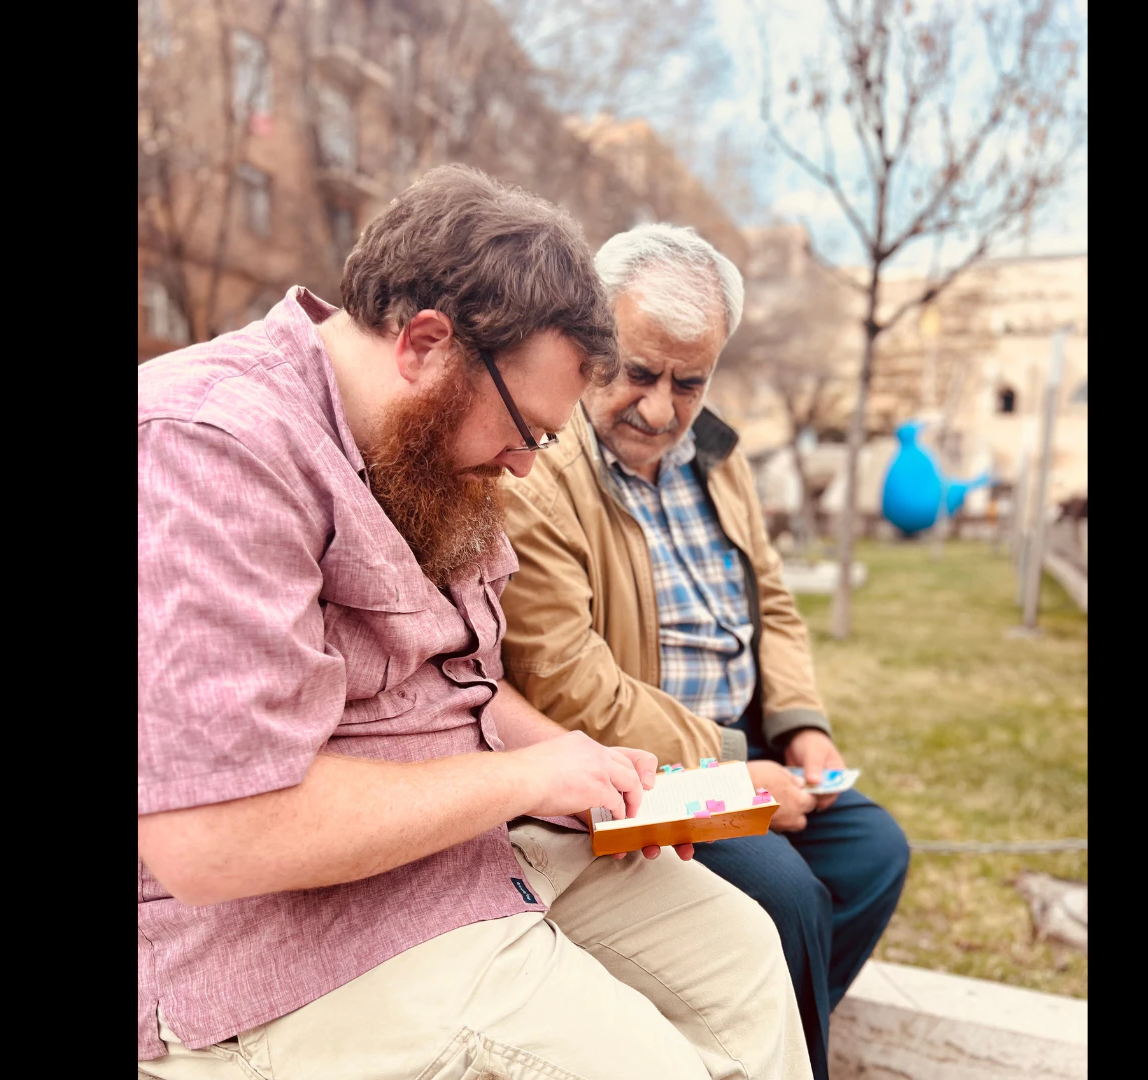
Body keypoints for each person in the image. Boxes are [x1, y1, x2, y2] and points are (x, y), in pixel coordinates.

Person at [138, 168, 810, 1080]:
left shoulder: (423, 453)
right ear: (426, 344)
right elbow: (217, 836)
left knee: (746, 957)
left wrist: (591, 770)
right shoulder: (211, 446)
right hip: (285, 939)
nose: (527, 467)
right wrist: (526, 776)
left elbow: (463, 687)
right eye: (526, 429)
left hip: (471, 854)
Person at [496, 223, 912, 1080]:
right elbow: (566, 681)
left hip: (741, 745)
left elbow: (774, 604)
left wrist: (801, 727)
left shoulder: (718, 457)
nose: (659, 410)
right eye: (637, 372)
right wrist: (729, 768)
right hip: (644, 771)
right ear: (593, 339)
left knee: (874, 853)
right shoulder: (541, 470)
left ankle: (755, 1042)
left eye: (689, 382)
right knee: (788, 899)